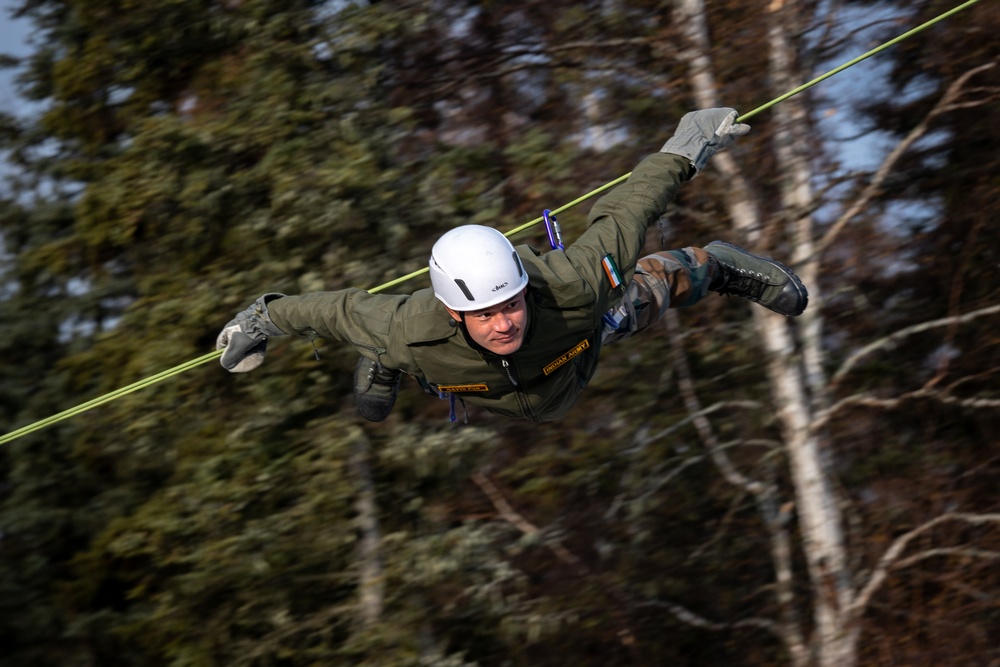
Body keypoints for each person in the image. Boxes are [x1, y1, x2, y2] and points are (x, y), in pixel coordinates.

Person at [216, 108, 807, 424]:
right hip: (464, 373)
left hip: (570, 347)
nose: (504, 322)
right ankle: (383, 364)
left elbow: (626, 213)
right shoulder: (412, 328)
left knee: (633, 297)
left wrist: (685, 148)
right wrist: (260, 320)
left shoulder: (568, 286)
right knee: (394, 348)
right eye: (485, 313)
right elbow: (330, 310)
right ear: (454, 312)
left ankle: (720, 267)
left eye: (510, 303)